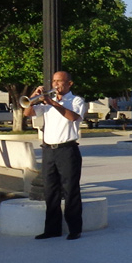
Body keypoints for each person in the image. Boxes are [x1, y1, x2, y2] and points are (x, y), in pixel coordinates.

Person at [24, 71, 88, 241]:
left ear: (69, 84)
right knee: (50, 190)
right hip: (48, 150)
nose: (56, 85)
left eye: (60, 81)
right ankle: (52, 229)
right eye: (54, 81)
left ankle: (75, 228)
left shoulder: (76, 101)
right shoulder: (46, 102)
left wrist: (53, 103)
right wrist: (33, 97)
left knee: (70, 190)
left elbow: (73, 117)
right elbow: (27, 113)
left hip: (67, 150)